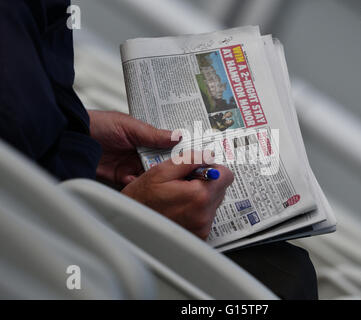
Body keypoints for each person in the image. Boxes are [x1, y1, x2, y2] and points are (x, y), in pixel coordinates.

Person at [0, 0, 317, 299]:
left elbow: (24, 125)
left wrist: (85, 133)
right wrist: (127, 217)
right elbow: (18, 212)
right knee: (281, 278)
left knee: (281, 267)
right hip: (54, 250)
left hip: (58, 201)